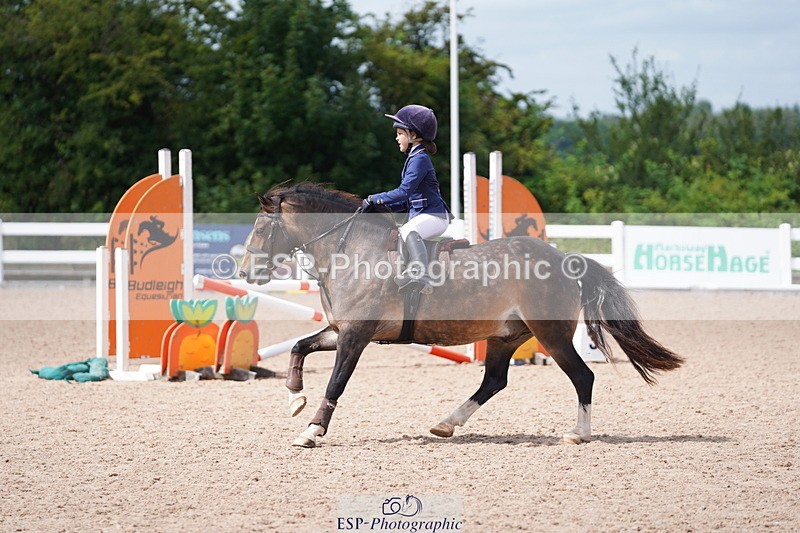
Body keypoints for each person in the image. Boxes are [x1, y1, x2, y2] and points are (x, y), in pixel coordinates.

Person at [362, 104, 452, 294]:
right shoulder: (414, 158)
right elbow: (405, 201)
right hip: (423, 214)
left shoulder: (419, 159)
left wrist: (375, 198)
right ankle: (405, 273)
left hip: (434, 216)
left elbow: (403, 191)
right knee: (404, 229)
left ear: (414, 135)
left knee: (409, 229)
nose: (396, 138)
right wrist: (381, 206)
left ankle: (421, 275)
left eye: (400, 133)